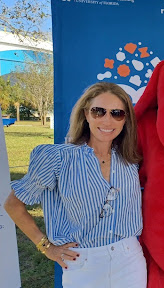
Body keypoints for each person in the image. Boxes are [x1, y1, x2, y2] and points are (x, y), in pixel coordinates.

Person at [3, 82, 146, 287]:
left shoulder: (129, 160)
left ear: (125, 120)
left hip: (130, 260)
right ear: (86, 114)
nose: (107, 120)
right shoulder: (58, 159)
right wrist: (46, 247)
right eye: (99, 111)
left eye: (117, 113)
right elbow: (13, 205)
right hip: (82, 264)